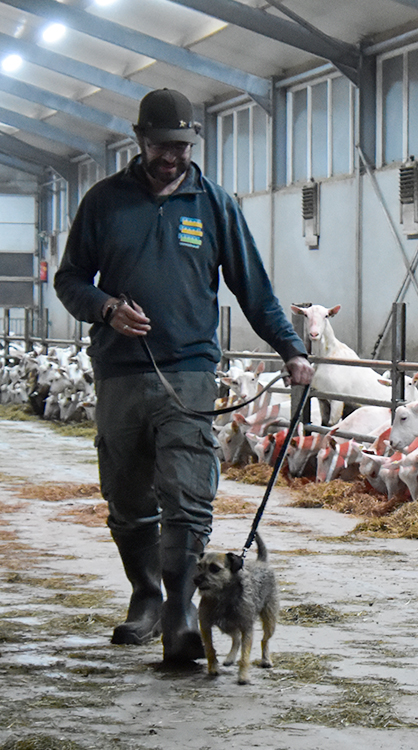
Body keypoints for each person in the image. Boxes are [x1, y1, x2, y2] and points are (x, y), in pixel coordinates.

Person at [54, 88, 314, 663]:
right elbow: (70, 279)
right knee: (126, 496)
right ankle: (145, 595)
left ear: (191, 143)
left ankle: (178, 615)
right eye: (160, 144)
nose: (171, 155)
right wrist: (105, 308)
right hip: (120, 372)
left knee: (189, 496)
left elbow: (255, 289)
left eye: (180, 145)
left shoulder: (214, 203)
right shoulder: (104, 201)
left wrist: (292, 349)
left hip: (191, 371)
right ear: (140, 138)